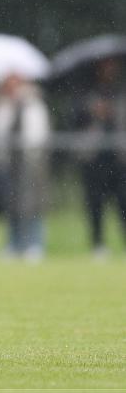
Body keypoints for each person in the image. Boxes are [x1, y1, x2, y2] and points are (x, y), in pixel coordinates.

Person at [0, 74, 50, 261]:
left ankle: (34, 243)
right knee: (11, 206)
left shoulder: (33, 105)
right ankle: (13, 244)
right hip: (9, 162)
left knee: (32, 205)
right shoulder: (3, 106)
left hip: (29, 162)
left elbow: (37, 134)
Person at [71, 58, 126, 256]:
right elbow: (75, 120)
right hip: (94, 159)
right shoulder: (86, 95)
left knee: (123, 203)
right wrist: (93, 111)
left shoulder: (120, 92)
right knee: (95, 203)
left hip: (119, 159)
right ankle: (98, 245)